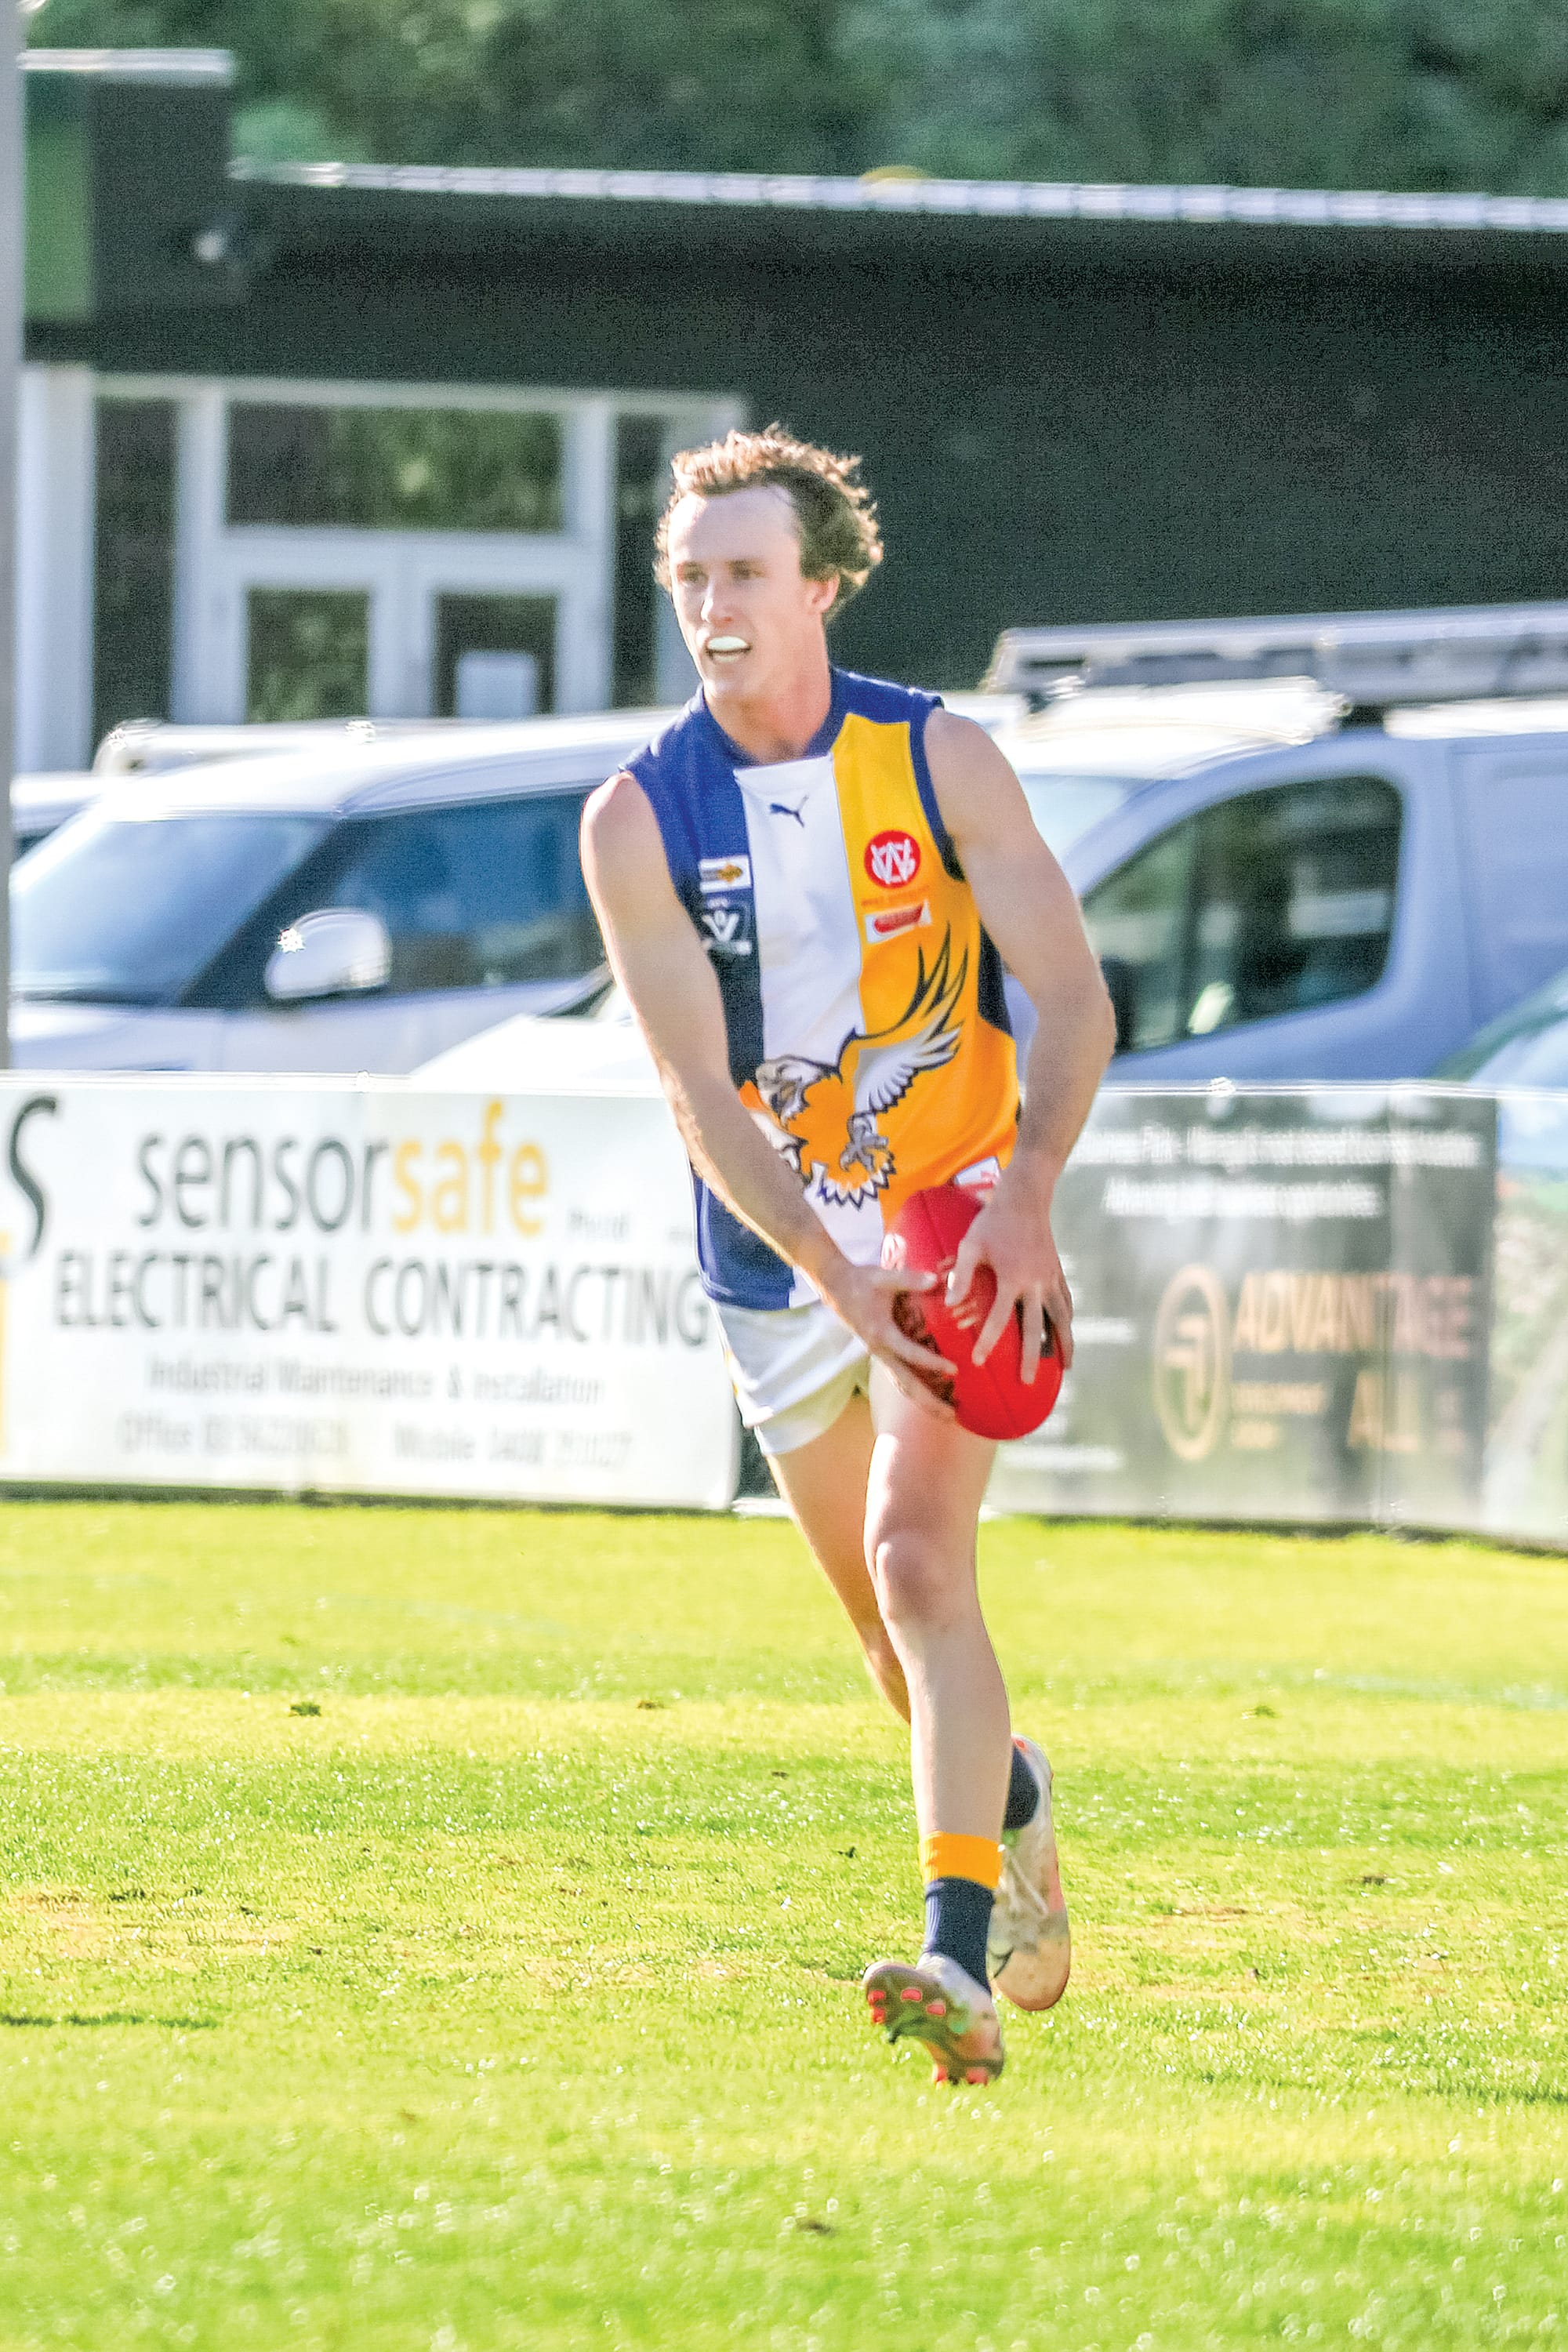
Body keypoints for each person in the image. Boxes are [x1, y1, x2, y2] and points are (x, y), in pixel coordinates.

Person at [581, 426, 1115, 2085]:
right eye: (688, 579)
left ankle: (952, 1961)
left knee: (920, 1571)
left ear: (818, 583)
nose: (713, 604)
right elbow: (697, 1096)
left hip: (951, 1223)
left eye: (743, 572)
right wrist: (829, 1274)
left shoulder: (941, 757)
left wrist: (1023, 1189)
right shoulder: (635, 815)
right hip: (780, 1260)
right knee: (887, 1647)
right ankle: (1008, 1805)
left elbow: (1076, 1000)